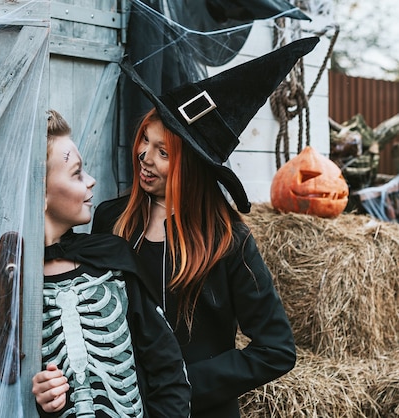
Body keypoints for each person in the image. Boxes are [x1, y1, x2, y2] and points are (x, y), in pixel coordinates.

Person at [91, 37, 320, 418]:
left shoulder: (228, 241)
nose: (144, 157)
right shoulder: (111, 220)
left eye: (163, 152)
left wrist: (182, 383)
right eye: (145, 142)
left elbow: (276, 349)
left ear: (192, 167)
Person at [32, 110, 190, 418]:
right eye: (77, 173)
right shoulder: (15, 279)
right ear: (39, 192)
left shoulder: (111, 258)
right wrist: (39, 393)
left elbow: (168, 368)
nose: (91, 181)